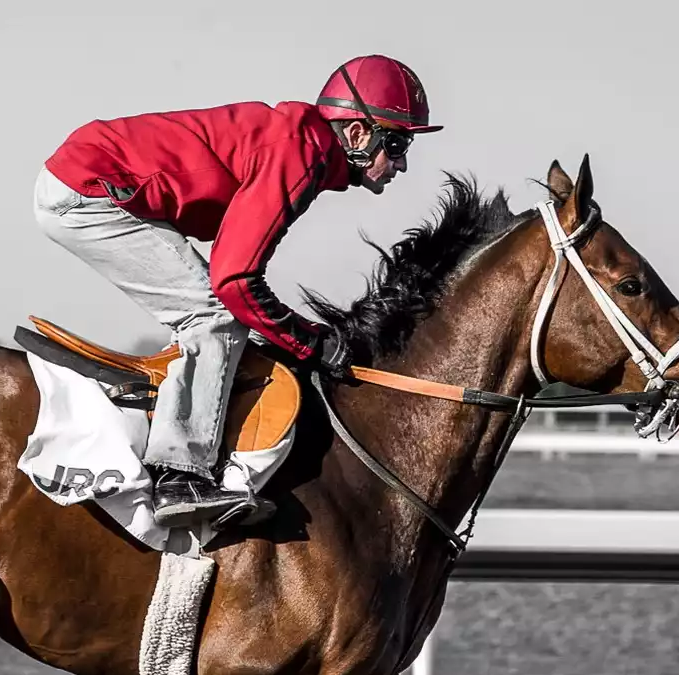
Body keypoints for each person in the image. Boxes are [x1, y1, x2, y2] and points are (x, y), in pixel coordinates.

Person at [33, 55, 442, 528]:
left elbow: (236, 270)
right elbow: (235, 282)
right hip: (88, 190)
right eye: (396, 143)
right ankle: (179, 475)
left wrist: (290, 334)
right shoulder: (299, 155)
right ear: (355, 133)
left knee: (225, 315)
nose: (402, 163)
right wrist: (310, 343)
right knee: (215, 313)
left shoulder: (304, 150)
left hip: (92, 182)